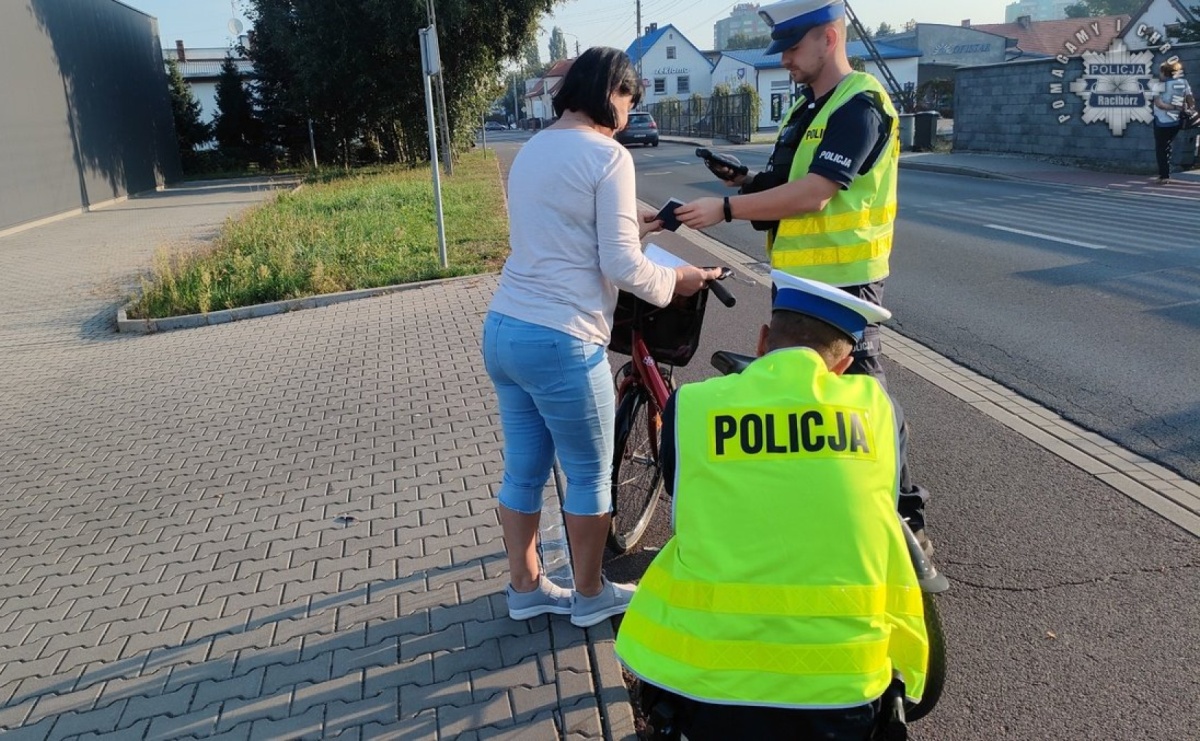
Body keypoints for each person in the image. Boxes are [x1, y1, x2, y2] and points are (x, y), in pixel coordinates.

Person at [615, 270, 930, 740]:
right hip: (844, 687)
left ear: (762, 341)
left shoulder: (693, 406)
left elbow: (683, 491)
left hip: (709, 682)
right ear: (842, 368)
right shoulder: (879, 411)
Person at [482, 46, 721, 628]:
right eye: (628, 99)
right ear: (610, 90)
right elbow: (622, 266)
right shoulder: (607, 156)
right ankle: (589, 597)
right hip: (561, 339)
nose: (628, 113)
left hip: (505, 329)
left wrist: (632, 225)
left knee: (523, 472)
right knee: (589, 475)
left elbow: (556, 232)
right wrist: (680, 279)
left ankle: (526, 586)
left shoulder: (533, 148)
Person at [675, 0, 930, 547]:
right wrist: (744, 181)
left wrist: (724, 209)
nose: (784, 59)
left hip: (846, 283)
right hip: (796, 279)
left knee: (863, 390)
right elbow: (784, 181)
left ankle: (905, 514)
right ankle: (823, 496)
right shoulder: (807, 108)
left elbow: (815, 194)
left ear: (829, 38)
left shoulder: (859, 105)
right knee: (805, 390)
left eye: (792, 47)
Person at [1151, 59, 1194, 185]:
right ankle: (1166, 174)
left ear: (1164, 72)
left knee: (1161, 148)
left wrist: (1173, 107)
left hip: (1161, 121)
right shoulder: (1183, 83)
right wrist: (1186, 109)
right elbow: (1190, 100)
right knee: (1168, 145)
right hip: (1177, 121)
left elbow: (1159, 104)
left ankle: (1164, 176)